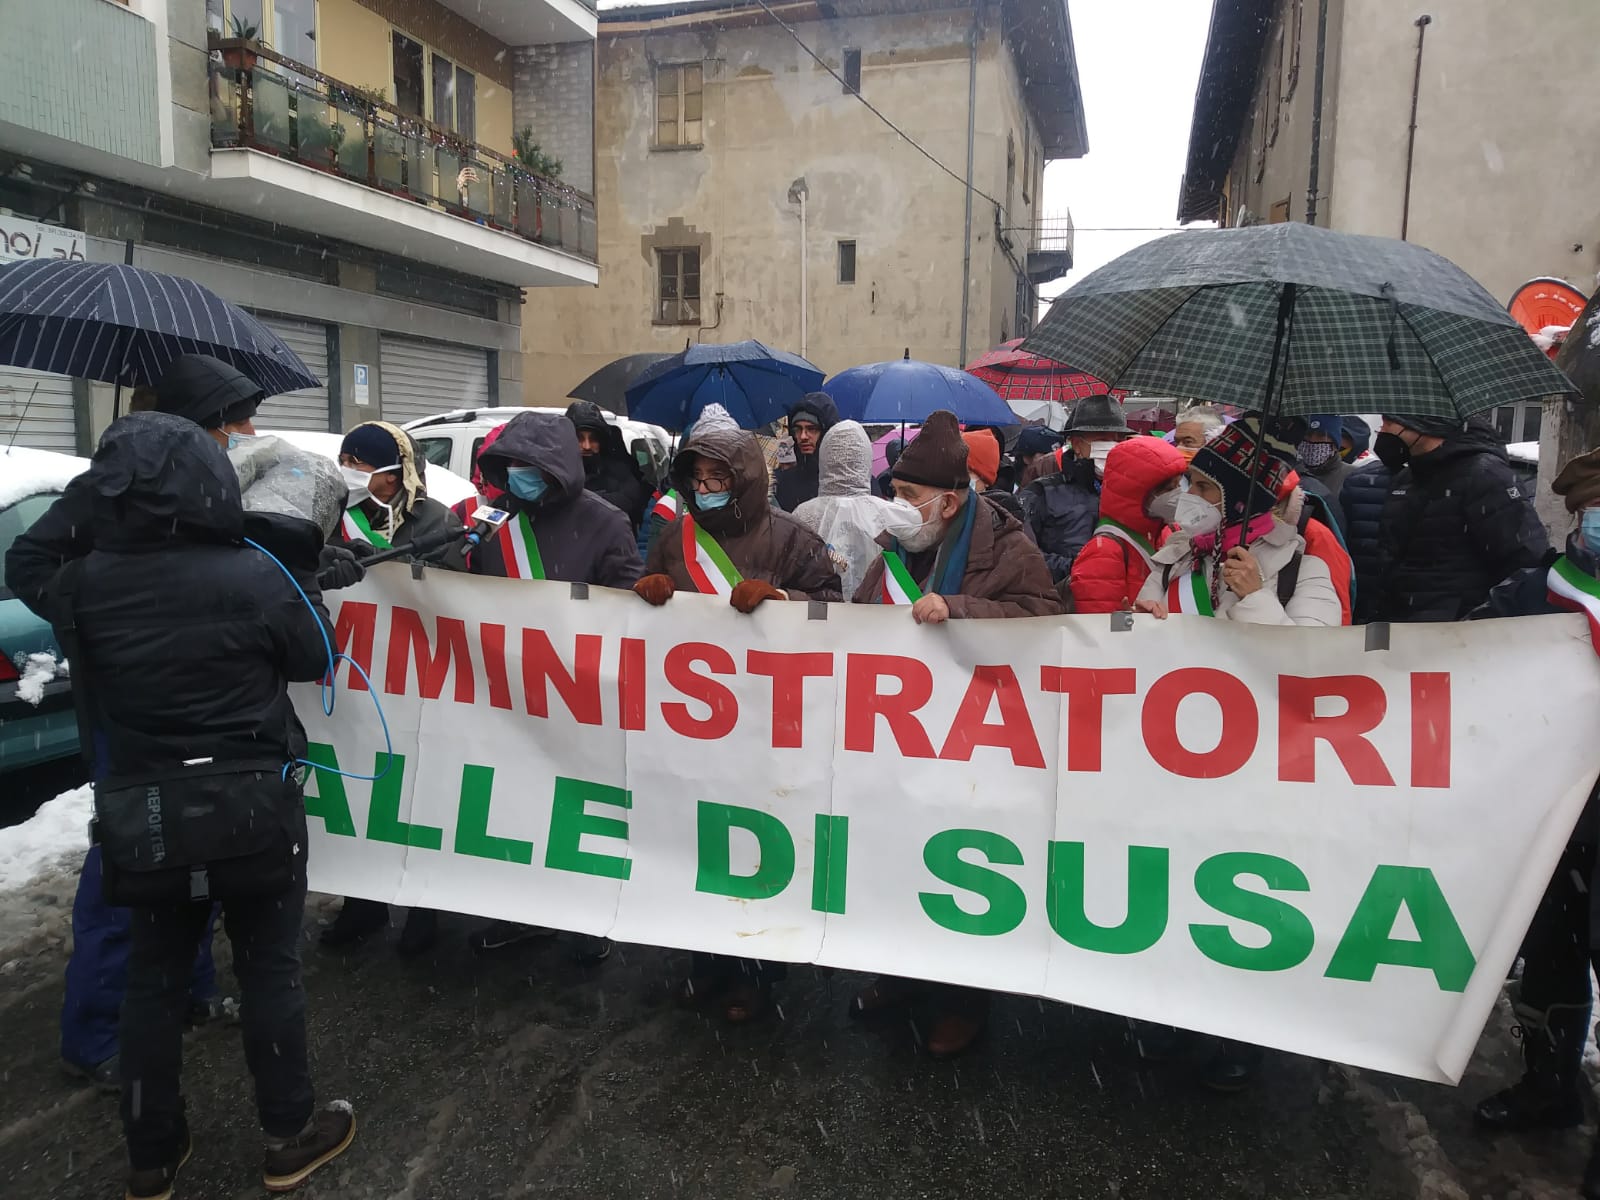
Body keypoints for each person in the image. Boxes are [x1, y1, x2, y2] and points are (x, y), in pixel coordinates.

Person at [5, 353, 360, 1092]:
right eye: (237, 423)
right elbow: (33, 562)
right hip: (135, 732)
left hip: (208, 728)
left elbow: (242, 567)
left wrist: (303, 561)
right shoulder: (107, 507)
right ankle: (97, 1036)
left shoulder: (202, 498)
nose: (248, 435)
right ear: (198, 428)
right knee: (132, 879)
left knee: (199, 861)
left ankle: (190, 992)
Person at [851, 410, 1060, 1058]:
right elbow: (860, 619)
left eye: (908, 495)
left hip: (977, 742)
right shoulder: (897, 544)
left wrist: (959, 609)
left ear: (948, 501)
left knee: (960, 868)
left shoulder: (1009, 548)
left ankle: (963, 1000)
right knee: (899, 853)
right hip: (904, 736)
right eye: (894, 492)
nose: (897, 505)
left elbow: (1043, 622)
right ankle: (900, 974)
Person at [634, 420, 842, 1022]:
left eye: (718, 478)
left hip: (766, 718)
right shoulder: (674, 539)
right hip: (695, 720)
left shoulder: (792, 537)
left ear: (745, 478)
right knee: (700, 840)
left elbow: (835, 608)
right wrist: (645, 591)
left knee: (756, 846)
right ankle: (705, 961)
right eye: (697, 479)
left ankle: (756, 974)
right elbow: (650, 607)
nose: (705, 489)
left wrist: (785, 602)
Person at [1467, 447, 1600, 1200]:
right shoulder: (1532, 593)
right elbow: (1464, 665)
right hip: (1552, 814)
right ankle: (1548, 1085)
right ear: (1577, 519)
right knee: (1550, 955)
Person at [461, 412, 644, 956]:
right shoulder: (494, 520)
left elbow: (626, 608)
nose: (519, 474)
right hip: (509, 696)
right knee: (518, 805)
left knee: (577, 811)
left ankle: (588, 919)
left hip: (578, 694)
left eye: (530, 465)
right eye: (512, 464)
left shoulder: (606, 522)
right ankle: (523, 910)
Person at [320, 421, 469, 954]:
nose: (352, 473)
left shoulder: (437, 521)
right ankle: (363, 904)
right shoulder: (334, 516)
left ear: (396, 471)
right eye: (347, 463)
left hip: (420, 679)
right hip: (361, 677)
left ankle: (425, 907)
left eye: (361, 464)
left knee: (423, 795)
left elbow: (456, 598)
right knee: (365, 792)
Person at [1136, 415, 1342, 629]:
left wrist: (1254, 597)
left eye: (1203, 487)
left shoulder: (1301, 571)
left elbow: (1311, 647)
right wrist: (1137, 622)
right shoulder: (1179, 555)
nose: (1190, 495)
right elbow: (1145, 635)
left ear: (1239, 501)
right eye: (1192, 483)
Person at [1371, 413, 1549, 622]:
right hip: (1404, 628)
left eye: (1388, 424)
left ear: (1420, 425)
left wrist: (1480, 619)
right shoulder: (1406, 479)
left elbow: (1525, 562)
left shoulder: (1485, 475)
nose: (1381, 432)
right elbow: (1391, 561)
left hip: (1462, 632)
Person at [793, 419, 919, 596]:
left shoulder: (802, 514)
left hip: (820, 607)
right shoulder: (891, 515)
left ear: (825, 458)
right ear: (865, 457)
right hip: (876, 608)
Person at [1019, 394, 1132, 582]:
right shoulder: (1041, 492)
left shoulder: (1133, 493)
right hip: (1062, 595)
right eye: (1103, 439)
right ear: (1077, 444)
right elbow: (1022, 555)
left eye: (1119, 440)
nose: (1113, 447)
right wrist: (1080, 568)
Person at [1068, 436, 1188, 613]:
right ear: (1138, 492)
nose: (1178, 494)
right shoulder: (1103, 552)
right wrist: (1136, 618)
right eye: (1169, 489)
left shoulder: (1169, 531)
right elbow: (1101, 624)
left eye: (1179, 486)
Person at [565, 400, 648, 529]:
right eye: (579, 438)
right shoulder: (556, 472)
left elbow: (629, 500)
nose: (587, 446)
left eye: (593, 439)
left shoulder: (619, 472)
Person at [773, 392, 840, 512]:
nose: (803, 436)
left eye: (812, 429)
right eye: (797, 429)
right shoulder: (782, 483)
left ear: (826, 433)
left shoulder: (845, 482)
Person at [1294, 414, 1358, 532]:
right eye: (1308, 435)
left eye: (1321, 435)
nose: (1312, 441)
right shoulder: (1292, 472)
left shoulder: (1352, 476)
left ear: (1335, 444)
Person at [962, 429, 1028, 525]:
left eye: (967, 471)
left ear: (985, 480)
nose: (956, 477)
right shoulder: (948, 509)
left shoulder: (1006, 521)